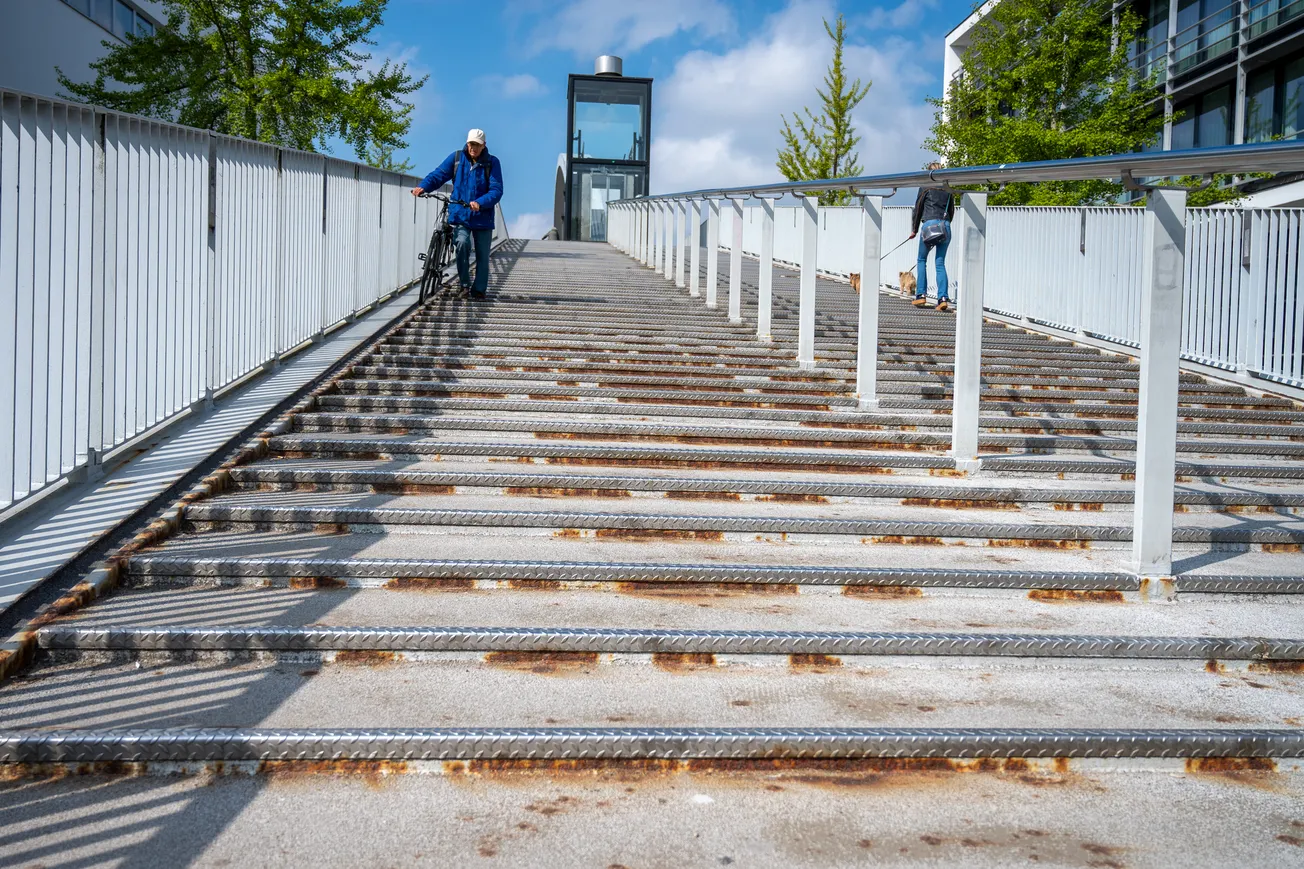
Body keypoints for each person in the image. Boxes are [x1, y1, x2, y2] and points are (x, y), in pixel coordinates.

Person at [411, 129, 504, 298]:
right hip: (460, 213)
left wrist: (480, 203)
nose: (473, 148)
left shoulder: (492, 163)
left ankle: (479, 291)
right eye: (471, 144)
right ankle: (464, 285)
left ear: (484, 145)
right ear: (467, 143)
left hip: (482, 216)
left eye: (477, 145)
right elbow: (438, 175)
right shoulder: (456, 159)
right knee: (461, 243)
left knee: (483, 255)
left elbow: (496, 190)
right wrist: (423, 186)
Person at [908, 162, 955, 312]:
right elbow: (951, 211)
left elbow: (918, 209)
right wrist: (944, 226)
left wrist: (914, 230)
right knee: (940, 262)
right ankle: (942, 298)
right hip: (945, 226)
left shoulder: (925, 187)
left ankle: (921, 294)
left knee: (922, 260)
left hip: (929, 226)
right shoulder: (948, 189)